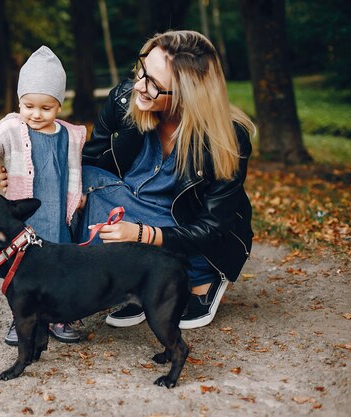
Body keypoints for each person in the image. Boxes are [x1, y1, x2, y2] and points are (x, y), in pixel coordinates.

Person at [79, 30, 255, 329]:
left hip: (188, 233)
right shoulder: (125, 99)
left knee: (94, 192)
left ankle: (201, 279)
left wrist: (141, 234)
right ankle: (138, 279)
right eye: (141, 71)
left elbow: (212, 227)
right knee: (79, 180)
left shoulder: (226, 138)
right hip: (130, 208)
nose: (138, 86)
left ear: (188, 95)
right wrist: (32, 177)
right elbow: (89, 164)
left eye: (154, 85)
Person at [0, 46, 87, 346]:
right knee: (21, 272)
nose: (36, 114)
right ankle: (22, 318)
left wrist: (78, 195)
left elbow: (74, 170)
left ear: (59, 105)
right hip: (25, 220)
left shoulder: (68, 134)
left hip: (57, 218)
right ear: (19, 102)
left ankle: (59, 316)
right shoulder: (13, 129)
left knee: (60, 268)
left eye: (46, 108)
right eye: (28, 106)